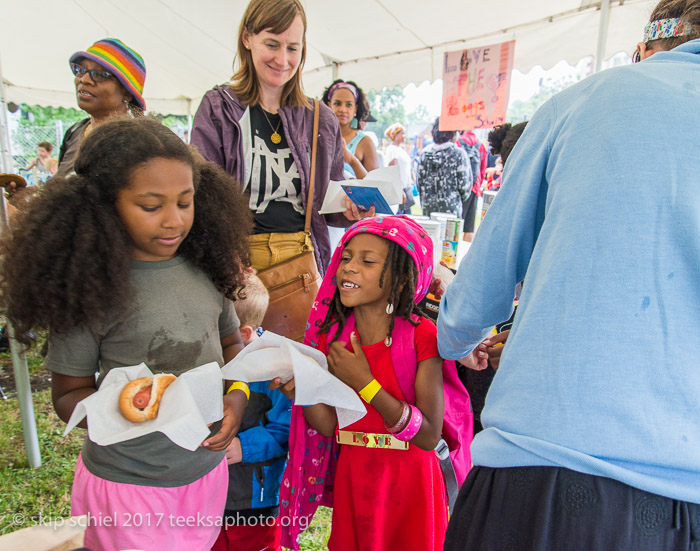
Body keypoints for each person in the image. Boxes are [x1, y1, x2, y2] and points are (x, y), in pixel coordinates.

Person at [438, 0, 700, 548]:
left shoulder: (584, 100)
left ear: (647, 49)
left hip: (544, 471)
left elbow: (478, 292)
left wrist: (458, 336)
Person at [0, 118, 253, 551]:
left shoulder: (206, 272)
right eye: (151, 206)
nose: (174, 220)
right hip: (128, 489)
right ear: (103, 205)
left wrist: (238, 394)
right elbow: (68, 397)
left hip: (204, 475)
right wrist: (132, 405)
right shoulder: (90, 291)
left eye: (186, 202)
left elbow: (232, 346)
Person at [274, 216, 472, 551]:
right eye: (346, 257)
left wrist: (366, 384)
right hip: (357, 474)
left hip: (411, 481)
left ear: (401, 277)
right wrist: (304, 392)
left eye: (367, 261)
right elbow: (331, 427)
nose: (349, 268)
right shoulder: (332, 338)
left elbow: (427, 435)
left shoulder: (422, 336)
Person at [191, 0, 359, 277]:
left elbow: (327, 204)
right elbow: (202, 197)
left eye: (292, 48)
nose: (282, 60)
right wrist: (223, 257)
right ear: (247, 38)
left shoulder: (321, 118)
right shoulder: (219, 108)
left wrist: (351, 207)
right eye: (271, 44)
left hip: (302, 267)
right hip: (234, 262)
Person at [212, 272, 293, 551]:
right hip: (208, 500)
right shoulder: (208, 364)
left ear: (243, 334)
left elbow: (286, 428)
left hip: (255, 501)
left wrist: (244, 446)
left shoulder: (275, 371)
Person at [56, 38, 146, 177]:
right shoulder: (75, 132)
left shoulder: (138, 143)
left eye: (100, 74)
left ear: (127, 93)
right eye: (81, 70)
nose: (84, 79)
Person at [322, 79, 379, 178]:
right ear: (328, 105)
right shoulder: (318, 137)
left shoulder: (365, 142)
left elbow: (375, 186)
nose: (343, 109)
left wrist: (352, 160)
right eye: (337, 103)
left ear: (355, 109)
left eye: (349, 105)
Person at [416, 117, 472, 218]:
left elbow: (419, 184)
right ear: (453, 133)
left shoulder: (424, 154)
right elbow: (465, 187)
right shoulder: (459, 154)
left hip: (428, 210)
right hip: (451, 211)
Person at [456, 130, 487, 241]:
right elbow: (483, 170)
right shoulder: (480, 145)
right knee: (469, 228)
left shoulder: (458, 142)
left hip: (459, 190)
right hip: (474, 188)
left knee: (454, 227)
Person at [384, 123, 414, 213]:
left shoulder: (401, 150)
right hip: (398, 190)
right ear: (395, 135)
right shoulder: (392, 149)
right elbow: (392, 168)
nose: (404, 136)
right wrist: (399, 189)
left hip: (405, 188)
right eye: (402, 133)